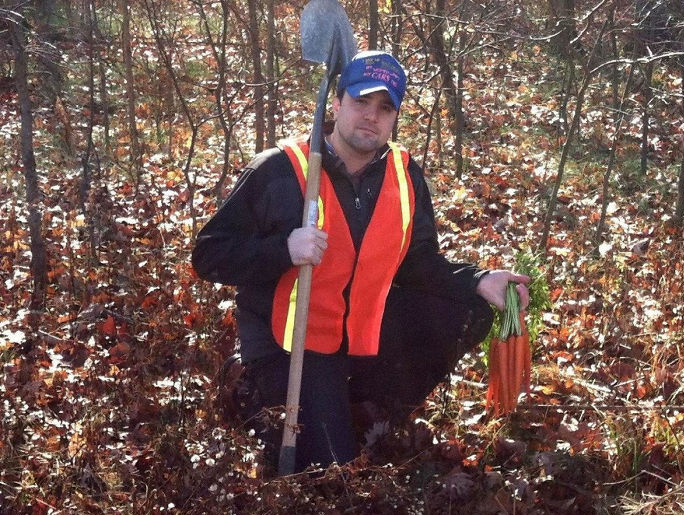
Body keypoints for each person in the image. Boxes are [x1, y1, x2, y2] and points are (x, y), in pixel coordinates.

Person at [192, 50, 530, 473]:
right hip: (292, 342)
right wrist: (284, 249)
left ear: (394, 118)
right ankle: (257, 391)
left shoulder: (406, 176)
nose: (371, 116)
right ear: (336, 105)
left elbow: (417, 262)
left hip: (359, 332)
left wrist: (479, 280)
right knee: (333, 471)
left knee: (466, 307)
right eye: (361, 102)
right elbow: (208, 256)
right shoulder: (280, 170)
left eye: (384, 108)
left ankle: (373, 409)